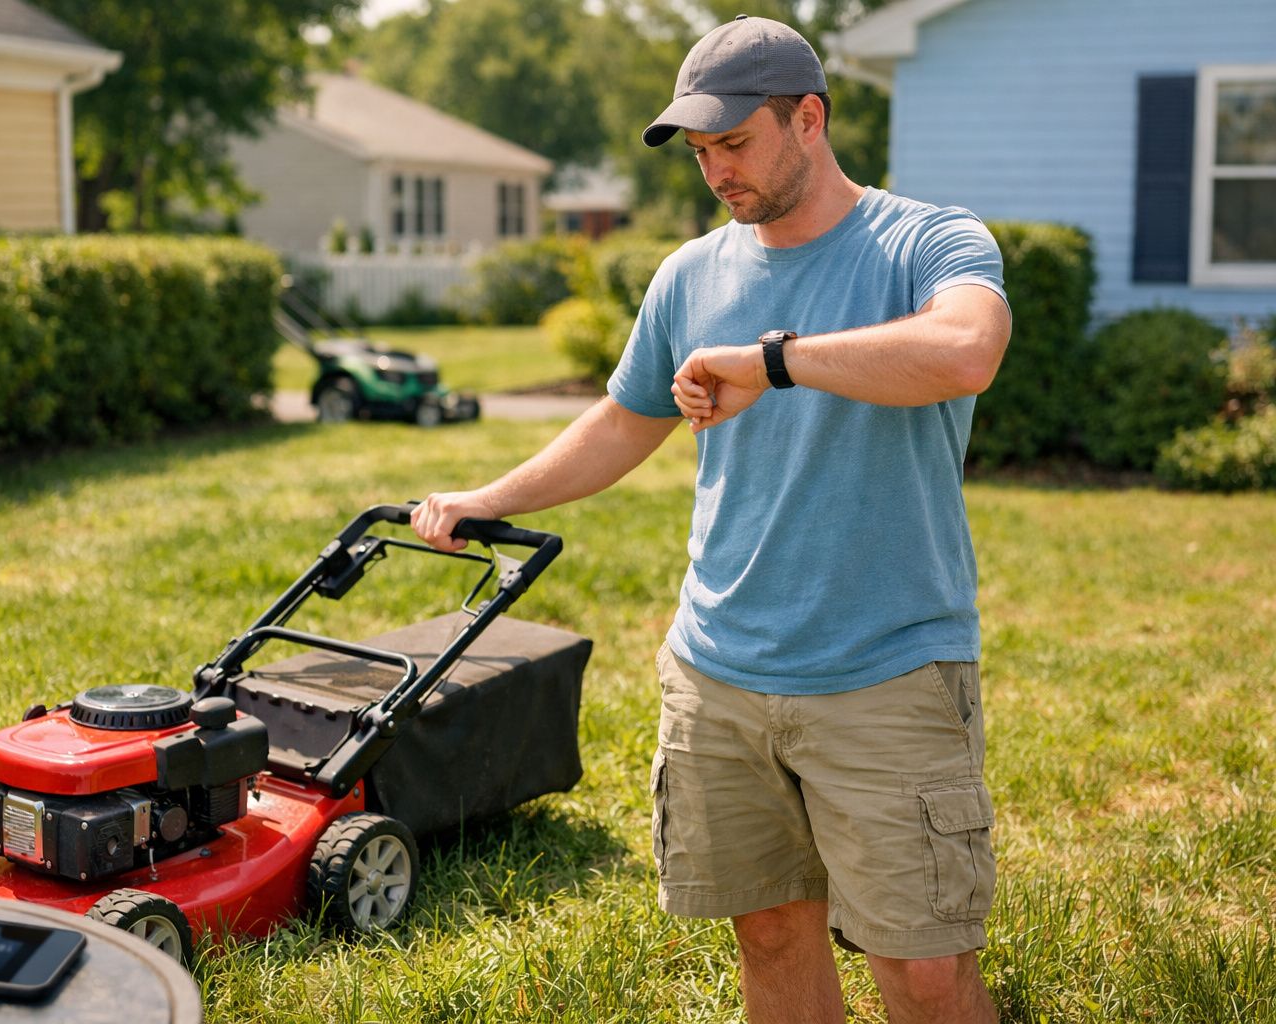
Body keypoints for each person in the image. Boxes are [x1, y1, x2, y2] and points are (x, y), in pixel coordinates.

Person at [411, 15, 1010, 1024]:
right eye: (700, 152)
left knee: (924, 974)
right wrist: (488, 498)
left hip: (888, 674)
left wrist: (772, 360)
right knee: (771, 933)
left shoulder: (926, 240)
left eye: (735, 143)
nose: (716, 171)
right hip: (719, 673)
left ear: (809, 119)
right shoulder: (691, 274)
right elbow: (623, 420)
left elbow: (963, 352)